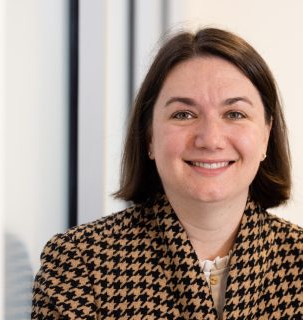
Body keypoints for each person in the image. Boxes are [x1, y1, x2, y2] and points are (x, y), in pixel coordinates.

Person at [32, 28, 302, 319]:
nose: (210, 139)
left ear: (265, 135)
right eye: (183, 114)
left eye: (234, 114)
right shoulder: (80, 263)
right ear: (149, 137)